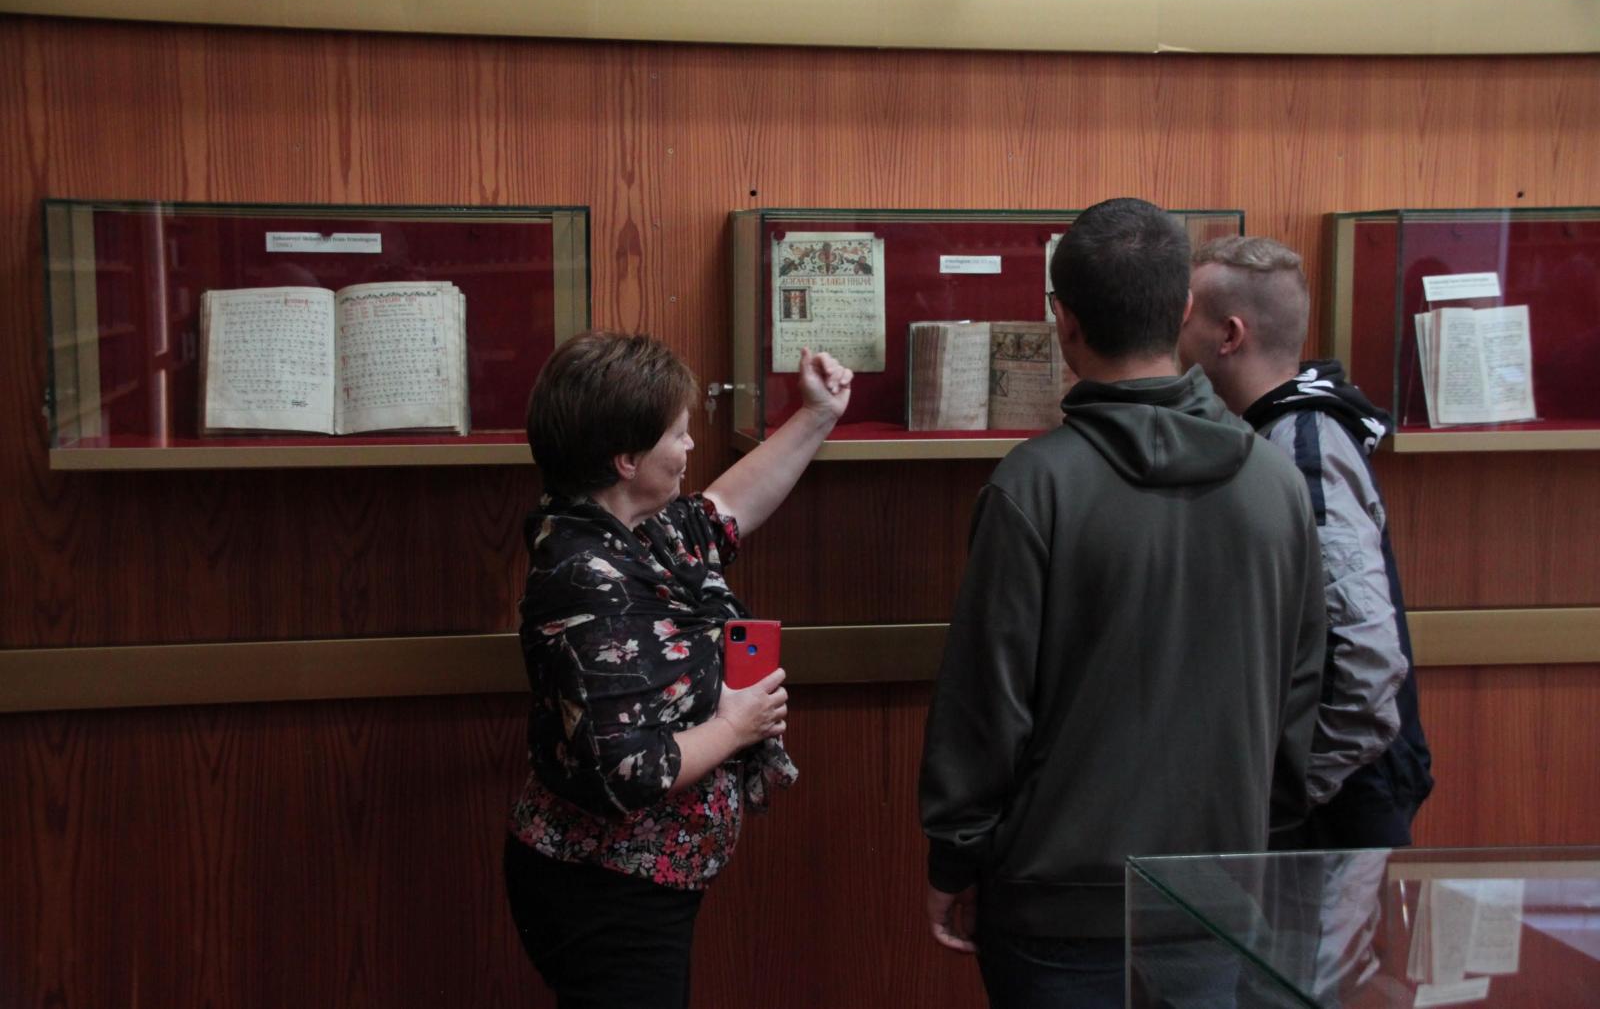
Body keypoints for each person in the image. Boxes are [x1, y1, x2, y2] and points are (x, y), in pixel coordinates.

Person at [918, 197, 1327, 1009]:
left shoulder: (1034, 486)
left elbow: (986, 704)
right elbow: (1301, 693)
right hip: (1217, 888)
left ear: (1062, 322)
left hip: (1055, 903)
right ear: (1182, 310)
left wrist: (956, 857)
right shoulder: (1277, 483)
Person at [505, 331, 852, 1009]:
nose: (691, 446)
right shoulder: (585, 578)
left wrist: (817, 415)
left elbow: (726, 510)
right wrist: (736, 728)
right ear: (627, 459)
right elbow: (623, 768)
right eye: (679, 434)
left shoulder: (637, 526)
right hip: (604, 889)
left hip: (636, 883)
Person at [1180, 236, 1433, 849]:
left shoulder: (1304, 445)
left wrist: (1289, 791)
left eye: (1183, 318)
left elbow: (1362, 659)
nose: (1171, 336)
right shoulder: (1270, 432)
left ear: (1229, 335)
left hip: (1338, 802)